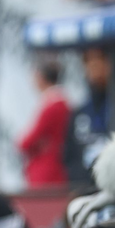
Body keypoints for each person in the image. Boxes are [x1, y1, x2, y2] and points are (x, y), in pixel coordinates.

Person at [18, 57, 70, 188]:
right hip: (57, 165)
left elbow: (27, 142)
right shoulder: (62, 103)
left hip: (47, 170)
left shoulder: (52, 106)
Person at [64, 47, 111, 186]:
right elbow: (69, 155)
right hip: (85, 189)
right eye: (89, 61)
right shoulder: (80, 112)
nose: (94, 66)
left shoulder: (114, 108)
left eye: (99, 60)